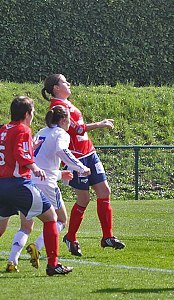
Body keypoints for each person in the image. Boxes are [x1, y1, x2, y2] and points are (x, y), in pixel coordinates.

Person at [41, 74, 125, 256]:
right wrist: (100, 124)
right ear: (56, 87)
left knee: (105, 192)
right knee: (84, 199)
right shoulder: (57, 107)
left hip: (89, 153)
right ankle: (71, 237)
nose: (68, 84)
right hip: (77, 158)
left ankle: (107, 237)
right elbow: (76, 129)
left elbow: (78, 129)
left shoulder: (66, 103)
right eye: (64, 82)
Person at [6, 105, 91, 272]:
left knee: (25, 226)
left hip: (29, 181)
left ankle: (12, 260)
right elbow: (62, 150)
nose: (70, 124)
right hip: (46, 184)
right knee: (60, 220)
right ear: (63, 120)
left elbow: (40, 160)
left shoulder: (42, 132)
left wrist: (60, 174)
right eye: (69, 120)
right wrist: (81, 167)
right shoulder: (61, 134)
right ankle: (38, 247)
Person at [0, 96, 72, 275]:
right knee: (51, 218)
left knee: (2, 228)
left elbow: (10, 151)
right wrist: (34, 166)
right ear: (27, 114)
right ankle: (53, 264)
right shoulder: (23, 129)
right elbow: (19, 153)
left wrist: (31, 146)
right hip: (18, 184)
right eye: (32, 112)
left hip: (2, 184)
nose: (33, 115)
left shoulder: (4, 129)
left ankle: (15, 258)